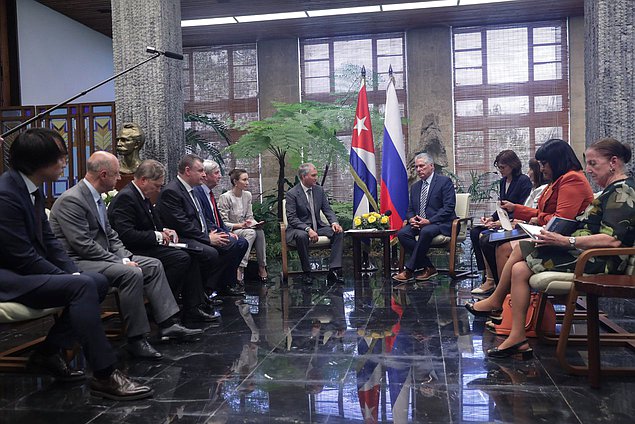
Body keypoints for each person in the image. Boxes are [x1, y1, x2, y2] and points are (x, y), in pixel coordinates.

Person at [0, 129, 152, 400]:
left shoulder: (30, 190)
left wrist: (72, 272)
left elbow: (50, 243)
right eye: (59, 158)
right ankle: (105, 375)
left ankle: (47, 353)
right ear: (38, 160)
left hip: (22, 271)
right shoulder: (6, 194)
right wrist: (69, 279)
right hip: (8, 277)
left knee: (97, 281)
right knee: (82, 285)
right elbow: (21, 256)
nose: (64, 163)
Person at [484, 138, 634, 359]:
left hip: (600, 258)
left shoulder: (623, 192)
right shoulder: (613, 189)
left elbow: (612, 240)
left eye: (593, 164)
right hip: (586, 253)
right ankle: (517, 337)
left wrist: (567, 242)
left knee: (522, 249)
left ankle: (498, 303)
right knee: (518, 268)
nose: (588, 170)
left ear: (613, 162)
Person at [49, 151, 201, 361]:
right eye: (116, 174)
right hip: (78, 261)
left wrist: (126, 256)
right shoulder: (72, 200)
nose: (120, 178)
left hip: (101, 258)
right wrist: (121, 261)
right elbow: (83, 245)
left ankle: (167, 324)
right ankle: (136, 339)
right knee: (131, 273)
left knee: (154, 264)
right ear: (103, 174)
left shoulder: (96, 199)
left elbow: (111, 235)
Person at [466, 138, 594, 318]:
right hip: (548, 233)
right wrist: (517, 209)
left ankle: (502, 302)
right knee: (493, 240)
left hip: (563, 239)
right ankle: (502, 301)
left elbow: (561, 220)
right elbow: (542, 212)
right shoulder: (557, 181)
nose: (541, 169)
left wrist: (534, 218)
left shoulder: (572, 179)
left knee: (504, 247)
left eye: (544, 164)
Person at [107, 159, 220, 323]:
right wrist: (158, 236)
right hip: (132, 250)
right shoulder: (127, 197)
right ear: (144, 180)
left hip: (145, 245)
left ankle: (193, 306)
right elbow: (126, 234)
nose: (159, 190)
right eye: (157, 185)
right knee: (181, 259)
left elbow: (152, 222)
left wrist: (163, 230)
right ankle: (160, 307)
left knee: (191, 254)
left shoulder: (141, 195)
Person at [157, 155, 247, 296]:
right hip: (182, 238)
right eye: (200, 171)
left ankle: (209, 290)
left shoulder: (191, 189)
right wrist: (208, 238)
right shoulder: (172, 191)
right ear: (188, 171)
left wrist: (215, 234)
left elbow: (201, 219)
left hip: (197, 235)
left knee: (235, 243)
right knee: (211, 252)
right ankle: (203, 292)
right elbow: (183, 225)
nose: (203, 175)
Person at [469, 150, 532, 295]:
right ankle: (485, 273)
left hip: (516, 222)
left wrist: (501, 223)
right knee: (475, 232)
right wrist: (491, 218)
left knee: (485, 238)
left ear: (512, 165)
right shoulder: (503, 181)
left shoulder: (523, 181)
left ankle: (494, 279)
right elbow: (502, 206)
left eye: (503, 167)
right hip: (503, 221)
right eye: (499, 167)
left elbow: (523, 208)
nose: (500, 170)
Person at [393, 152, 457, 282]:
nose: (418, 170)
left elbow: (448, 207)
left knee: (426, 231)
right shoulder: (415, 187)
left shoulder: (444, 182)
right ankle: (428, 267)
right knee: (402, 234)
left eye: (422, 166)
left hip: (440, 223)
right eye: (416, 167)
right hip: (419, 223)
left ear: (431, 166)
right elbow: (410, 209)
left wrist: (429, 221)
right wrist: (411, 219)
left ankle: (409, 270)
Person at [193, 160, 249, 291]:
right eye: (216, 173)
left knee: (242, 243)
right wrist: (224, 232)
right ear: (206, 176)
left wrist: (226, 230)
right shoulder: (198, 192)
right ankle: (212, 286)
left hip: (217, 230)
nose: (220, 176)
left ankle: (227, 283)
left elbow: (217, 218)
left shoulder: (210, 193)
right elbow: (206, 220)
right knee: (232, 243)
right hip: (207, 233)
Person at [285, 163, 344, 284]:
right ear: (303, 176)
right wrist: (307, 229)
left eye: (316, 175)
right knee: (302, 236)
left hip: (318, 226)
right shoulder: (292, 193)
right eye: (313, 175)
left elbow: (327, 210)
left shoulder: (319, 190)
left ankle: (334, 270)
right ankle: (307, 273)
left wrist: (334, 222)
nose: (316, 178)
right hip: (299, 228)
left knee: (338, 232)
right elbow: (292, 218)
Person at [218, 168, 268, 283]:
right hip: (233, 230)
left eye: (248, 180)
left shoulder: (247, 195)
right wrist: (241, 225)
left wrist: (255, 224)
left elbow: (250, 217)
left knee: (259, 232)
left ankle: (262, 266)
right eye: (244, 180)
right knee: (250, 232)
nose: (247, 183)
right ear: (235, 182)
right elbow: (223, 223)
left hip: (246, 228)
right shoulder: (225, 197)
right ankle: (240, 267)